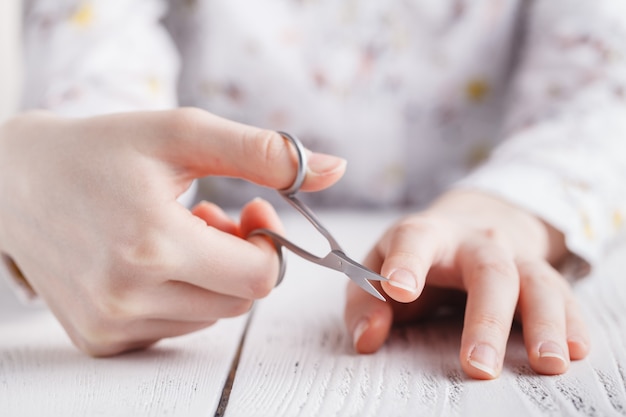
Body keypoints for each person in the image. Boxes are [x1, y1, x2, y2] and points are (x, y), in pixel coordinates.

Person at [2, 0, 625, 380]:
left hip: (488, 216)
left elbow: (602, 91)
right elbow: (94, 69)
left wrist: (508, 211)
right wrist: (35, 172)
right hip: (204, 230)